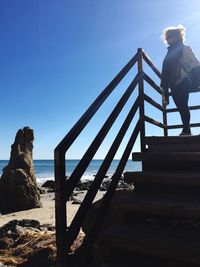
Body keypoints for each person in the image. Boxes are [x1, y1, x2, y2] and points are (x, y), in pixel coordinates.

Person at [161, 24, 200, 135]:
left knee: (183, 106)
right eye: (167, 37)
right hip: (172, 84)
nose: (168, 39)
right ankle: (187, 129)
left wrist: (195, 82)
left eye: (170, 36)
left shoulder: (184, 49)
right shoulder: (169, 52)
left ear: (177, 36)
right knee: (181, 107)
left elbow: (196, 65)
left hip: (183, 81)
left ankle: (186, 130)